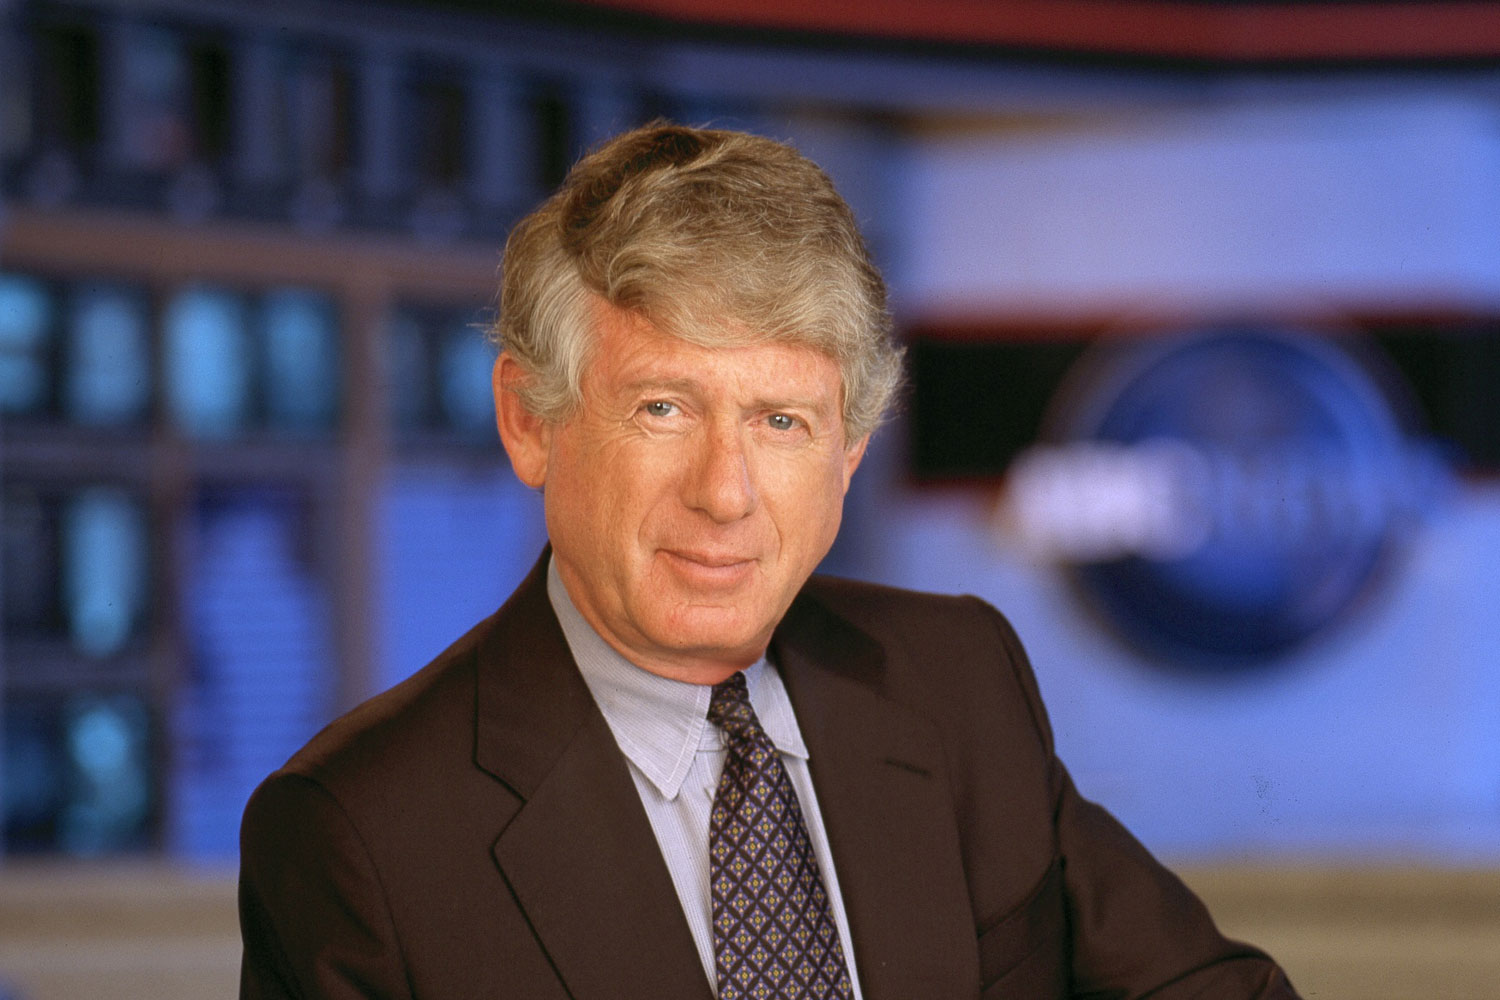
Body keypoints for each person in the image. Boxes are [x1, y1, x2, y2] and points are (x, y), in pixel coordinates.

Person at [238, 122, 1301, 1000]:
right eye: (663, 407)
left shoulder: (957, 681)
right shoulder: (360, 835)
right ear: (528, 419)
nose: (725, 491)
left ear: (850, 451)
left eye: (781, 421)